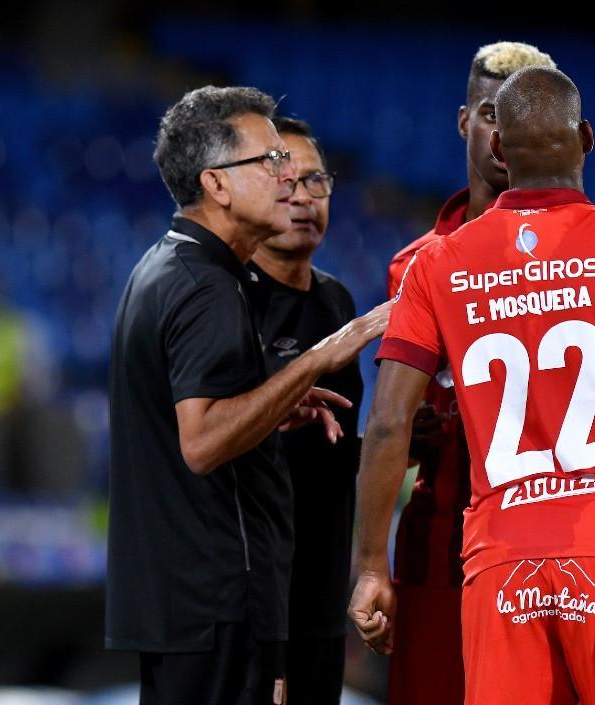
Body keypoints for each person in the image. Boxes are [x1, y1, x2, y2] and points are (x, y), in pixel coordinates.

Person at [350, 66, 595, 705]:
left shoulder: (434, 266)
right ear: (588, 138)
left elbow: (390, 423)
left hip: (501, 556)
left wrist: (372, 566)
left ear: (499, 150)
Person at [106, 85, 389, 705]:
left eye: (302, 171)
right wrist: (319, 357)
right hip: (219, 600)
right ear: (217, 184)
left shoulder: (171, 268)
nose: (286, 179)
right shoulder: (207, 285)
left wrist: (280, 404)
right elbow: (203, 442)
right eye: (270, 162)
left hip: (196, 602)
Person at [383, 40, 556, 705]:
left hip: (550, 540)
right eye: (491, 112)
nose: (504, 133)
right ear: (465, 121)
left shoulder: (588, 252)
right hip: (442, 541)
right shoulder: (415, 264)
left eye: (521, 118)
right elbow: (398, 421)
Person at [247, 116, 363, 704]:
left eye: (316, 182)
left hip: (321, 591)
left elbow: (336, 444)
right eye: (286, 183)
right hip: (250, 602)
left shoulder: (336, 300)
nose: (303, 200)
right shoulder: (226, 301)